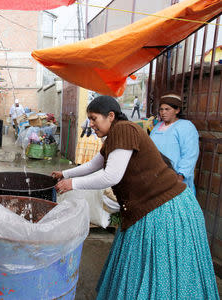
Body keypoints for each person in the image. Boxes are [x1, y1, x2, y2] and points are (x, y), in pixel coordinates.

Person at [52, 96, 218, 299]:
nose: (91, 124)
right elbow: (96, 164)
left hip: (164, 206)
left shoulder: (123, 130)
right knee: (145, 265)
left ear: (110, 116)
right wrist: (66, 174)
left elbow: (111, 176)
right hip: (149, 205)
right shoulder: (115, 134)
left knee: (159, 266)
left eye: (94, 118)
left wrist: (72, 184)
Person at [150, 93, 199, 195]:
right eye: (161, 109)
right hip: (157, 177)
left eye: (167, 109)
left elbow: (190, 154)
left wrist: (180, 177)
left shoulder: (186, 126)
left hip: (175, 178)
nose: (163, 112)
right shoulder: (157, 127)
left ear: (177, 110)